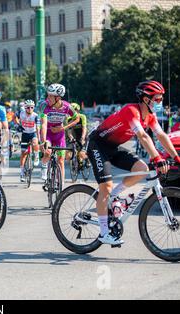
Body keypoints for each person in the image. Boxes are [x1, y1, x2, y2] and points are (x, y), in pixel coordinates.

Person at [87, 80, 180, 246]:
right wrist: (157, 158)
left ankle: (113, 196)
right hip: (98, 145)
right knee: (105, 187)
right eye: (157, 99)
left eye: (161, 99)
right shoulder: (131, 111)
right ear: (146, 99)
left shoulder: (149, 116)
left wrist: (176, 157)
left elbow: (162, 136)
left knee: (142, 169)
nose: (160, 103)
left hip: (113, 147)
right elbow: (143, 136)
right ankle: (103, 233)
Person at [40, 83, 79, 183]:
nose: (47, 98)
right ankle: (44, 166)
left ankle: (61, 185)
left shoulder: (67, 106)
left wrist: (63, 128)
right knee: (48, 152)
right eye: (48, 95)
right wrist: (43, 141)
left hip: (59, 135)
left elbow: (77, 119)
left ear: (58, 98)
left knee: (61, 159)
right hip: (48, 134)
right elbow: (43, 124)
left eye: (50, 96)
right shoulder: (44, 105)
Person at [15, 99, 40, 182]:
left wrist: (39, 138)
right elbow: (15, 118)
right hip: (24, 134)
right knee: (24, 153)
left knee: (35, 142)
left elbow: (38, 128)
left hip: (33, 133)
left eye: (32, 107)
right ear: (25, 108)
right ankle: (22, 172)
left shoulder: (35, 115)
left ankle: (36, 156)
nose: (30, 109)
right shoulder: (21, 113)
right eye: (28, 107)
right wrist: (18, 124)